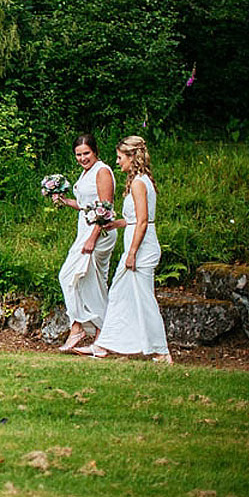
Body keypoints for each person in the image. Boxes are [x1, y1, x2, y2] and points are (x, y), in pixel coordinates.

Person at [75, 136, 172, 364]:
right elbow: (134, 219)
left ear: (132, 157)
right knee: (119, 295)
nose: (117, 162)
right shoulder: (140, 180)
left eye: (120, 157)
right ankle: (105, 344)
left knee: (144, 298)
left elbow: (143, 221)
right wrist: (115, 223)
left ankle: (161, 350)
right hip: (137, 244)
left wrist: (132, 253)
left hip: (141, 249)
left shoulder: (139, 183)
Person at [53, 134, 117, 351]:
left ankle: (78, 326)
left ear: (95, 151)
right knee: (93, 284)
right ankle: (101, 336)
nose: (82, 158)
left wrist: (92, 237)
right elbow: (85, 205)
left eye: (86, 153)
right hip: (86, 229)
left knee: (69, 276)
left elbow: (105, 208)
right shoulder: (86, 172)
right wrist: (63, 200)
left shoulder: (102, 171)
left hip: (98, 233)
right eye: (78, 155)